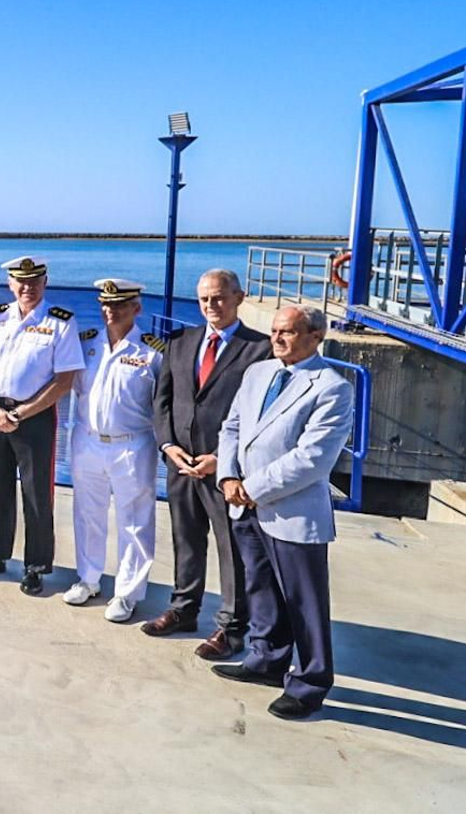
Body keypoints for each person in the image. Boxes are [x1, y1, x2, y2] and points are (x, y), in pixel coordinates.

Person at [212, 305, 354, 720]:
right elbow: (232, 427)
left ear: (315, 337)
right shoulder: (258, 373)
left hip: (290, 511)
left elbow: (312, 459)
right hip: (245, 506)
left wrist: (252, 488)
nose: (276, 338)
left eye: (287, 332)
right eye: (274, 330)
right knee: (260, 588)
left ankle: (309, 684)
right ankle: (266, 660)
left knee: (303, 602)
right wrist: (228, 477)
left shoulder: (332, 388)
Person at [147, 268, 272, 660]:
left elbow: (262, 415)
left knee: (232, 548)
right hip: (182, 463)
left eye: (218, 297)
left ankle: (231, 628)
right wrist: (168, 445)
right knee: (186, 539)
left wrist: (222, 459)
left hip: (226, 470)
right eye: (204, 299)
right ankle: (184, 609)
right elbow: (162, 401)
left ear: (239, 297)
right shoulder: (180, 342)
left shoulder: (260, 349)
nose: (210, 305)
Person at [0, 256, 85, 594]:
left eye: (34, 281)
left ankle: (35, 566)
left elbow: (64, 381)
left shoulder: (60, 322)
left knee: (36, 494)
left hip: (34, 419)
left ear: (45, 283)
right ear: (10, 284)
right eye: (21, 281)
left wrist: (21, 413)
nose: (27, 288)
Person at [63, 279, 165, 623]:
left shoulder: (152, 352)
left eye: (120, 305)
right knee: (87, 513)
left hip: (132, 444)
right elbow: (73, 387)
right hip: (87, 440)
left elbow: (164, 402)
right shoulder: (86, 344)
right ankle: (88, 578)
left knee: (134, 521)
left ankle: (127, 593)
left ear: (136, 308)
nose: (111, 311)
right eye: (106, 304)